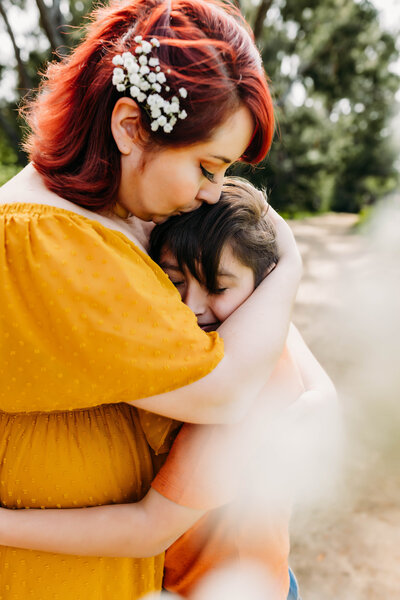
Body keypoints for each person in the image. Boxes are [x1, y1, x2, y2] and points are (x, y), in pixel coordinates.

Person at [0, 1, 303, 598]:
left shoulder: (115, 223)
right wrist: (288, 263)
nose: (213, 193)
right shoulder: (46, 240)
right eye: (206, 166)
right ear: (130, 127)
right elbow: (225, 389)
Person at [0, 179, 335, 600]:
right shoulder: (241, 342)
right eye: (174, 282)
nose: (191, 307)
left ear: (263, 284)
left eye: (217, 287)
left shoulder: (241, 394)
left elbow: (148, 529)